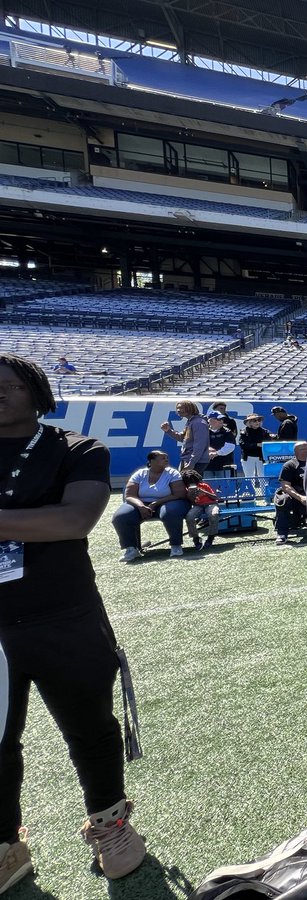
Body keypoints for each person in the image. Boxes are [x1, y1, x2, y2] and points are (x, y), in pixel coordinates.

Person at [0, 353, 146, 887]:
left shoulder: (77, 448)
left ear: (35, 391)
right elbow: (47, 519)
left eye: (8, 385)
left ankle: (110, 824)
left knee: (90, 728)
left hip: (66, 615)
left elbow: (74, 519)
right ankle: (5, 843)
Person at [111, 450, 189, 560]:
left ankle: (176, 546)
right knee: (120, 517)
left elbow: (179, 494)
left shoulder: (172, 473)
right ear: (151, 461)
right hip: (141, 504)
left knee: (170, 513)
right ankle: (131, 549)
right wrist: (140, 506)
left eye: (167, 457)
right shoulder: (139, 474)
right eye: (162, 458)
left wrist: (156, 503)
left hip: (168, 502)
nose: (166, 459)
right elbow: (129, 495)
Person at [160, 400, 210, 471]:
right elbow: (183, 438)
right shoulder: (191, 422)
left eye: (181, 408)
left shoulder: (199, 423)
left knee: (189, 482)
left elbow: (199, 446)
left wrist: (191, 463)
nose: (178, 410)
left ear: (190, 408)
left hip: (197, 461)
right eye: (177, 408)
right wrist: (168, 431)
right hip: (189, 459)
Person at [274, 442, 307, 545]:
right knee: (282, 500)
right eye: (303, 449)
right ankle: (282, 533)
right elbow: (286, 486)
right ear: (296, 452)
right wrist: (301, 497)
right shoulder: (289, 465)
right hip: (296, 495)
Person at [181, 468, 220, 551]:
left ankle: (211, 537)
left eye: (193, 481)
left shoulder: (204, 485)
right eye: (189, 482)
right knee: (189, 517)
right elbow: (193, 503)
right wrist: (190, 495)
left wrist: (204, 491)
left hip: (211, 504)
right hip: (198, 506)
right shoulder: (187, 489)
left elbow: (215, 497)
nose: (192, 483)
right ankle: (196, 538)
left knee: (213, 515)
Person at [238, 413, 271, 486]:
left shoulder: (265, 432)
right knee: (249, 477)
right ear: (249, 423)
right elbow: (243, 445)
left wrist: (259, 445)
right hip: (248, 457)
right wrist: (257, 445)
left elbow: (268, 444)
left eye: (259, 420)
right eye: (254, 421)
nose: (257, 422)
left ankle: (265, 495)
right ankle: (251, 494)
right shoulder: (244, 432)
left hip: (262, 457)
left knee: (263, 476)